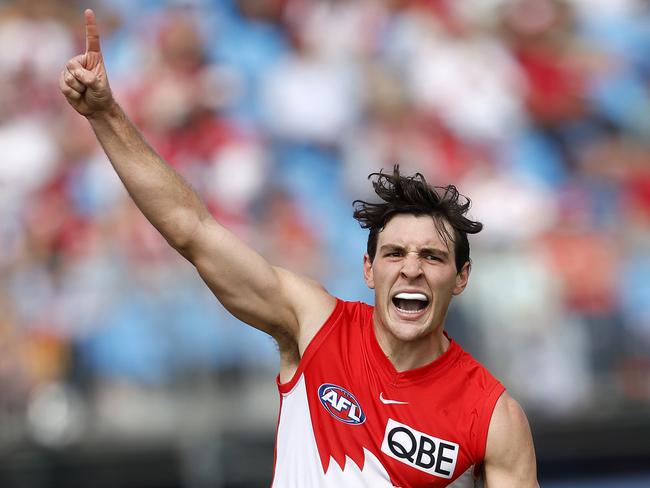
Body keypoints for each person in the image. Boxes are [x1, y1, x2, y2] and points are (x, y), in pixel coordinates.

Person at [59, 9, 538, 487]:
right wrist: (105, 115)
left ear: (461, 277)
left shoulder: (493, 416)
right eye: (395, 254)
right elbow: (193, 230)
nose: (411, 268)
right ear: (368, 269)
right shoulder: (316, 329)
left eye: (432, 256)